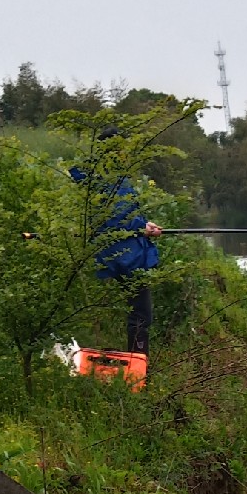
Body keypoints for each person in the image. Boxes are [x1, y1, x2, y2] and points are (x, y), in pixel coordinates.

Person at [69, 150, 163, 355]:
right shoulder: (113, 179)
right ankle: (137, 371)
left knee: (138, 314)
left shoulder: (93, 177)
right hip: (128, 257)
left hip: (115, 255)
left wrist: (144, 226)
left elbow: (117, 218)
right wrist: (141, 227)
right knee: (141, 315)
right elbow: (118, 219)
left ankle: (134, 367)